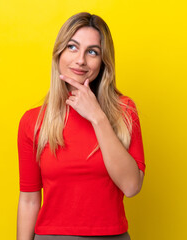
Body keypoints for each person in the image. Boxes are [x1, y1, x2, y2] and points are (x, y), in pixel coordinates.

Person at [17, 12, 146, 240]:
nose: (81, 60)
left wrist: (97, 116)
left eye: (92, 52)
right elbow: (29, 200)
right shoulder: (33, 121)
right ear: (59, 54)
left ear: (103, 62)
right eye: (72, 47)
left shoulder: (124, 111)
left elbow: (131, 186)